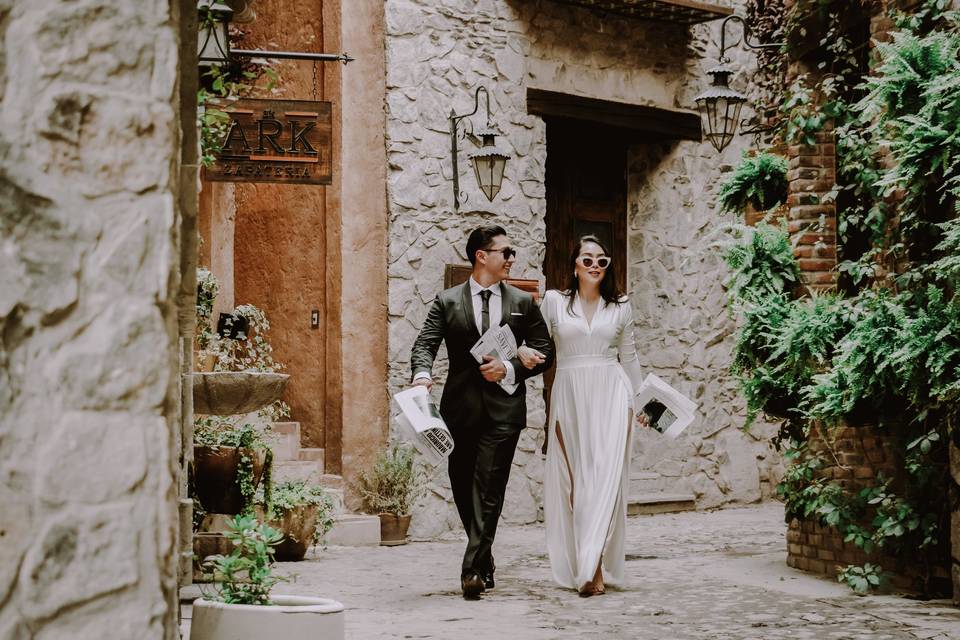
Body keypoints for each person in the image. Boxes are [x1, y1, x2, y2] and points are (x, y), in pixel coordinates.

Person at [410, 225, 555, 600]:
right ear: (481, 256)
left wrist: (510, 368)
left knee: (490, 488)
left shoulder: (522, 302)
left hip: (504, 409)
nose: (511, 259)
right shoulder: (447, 301)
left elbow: (544, 350)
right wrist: (422, 375)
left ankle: (472, 568)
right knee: (462, 484)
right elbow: (425, 344)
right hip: (458, 409)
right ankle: (485, 555)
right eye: (505, 252)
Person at [517, 235, 649, 597]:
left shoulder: (621, 305)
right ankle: (584, 563)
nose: (594, 266)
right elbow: (535, 340)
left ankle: (593, 569)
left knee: (606, 481)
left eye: (601, 261)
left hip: (612, 392)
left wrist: (642, 402)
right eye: (587, 259)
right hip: (570, 394)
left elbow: (631, 357)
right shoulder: (555, 302)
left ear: (608, 268)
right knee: (576, 483)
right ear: (575, 264)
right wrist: (519, 351)